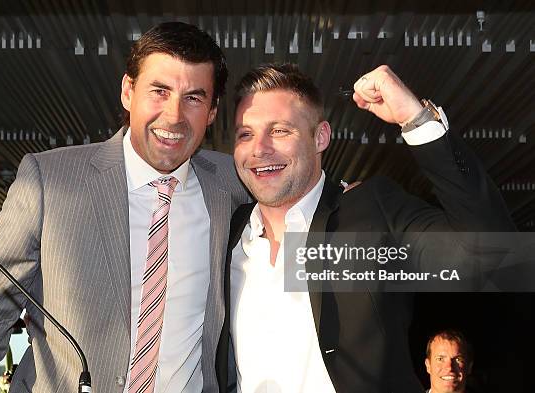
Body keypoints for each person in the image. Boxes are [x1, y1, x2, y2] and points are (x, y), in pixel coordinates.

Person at [0, 22, 249, 393]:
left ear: (211, 112)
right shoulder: (50, 180)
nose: (174, 116)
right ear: (128, 91)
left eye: (193, 98)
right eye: (159, 91)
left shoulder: (234, 185)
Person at [215, 63, 515, 392]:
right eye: (246, 134)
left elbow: (493, 255)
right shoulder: (230, 231)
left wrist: (414, 119)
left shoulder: (369, 212)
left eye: (280, 130)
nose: (259, 148)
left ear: (320, 137)